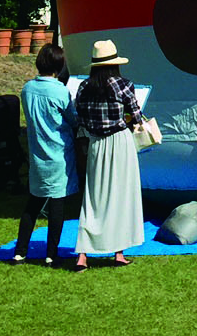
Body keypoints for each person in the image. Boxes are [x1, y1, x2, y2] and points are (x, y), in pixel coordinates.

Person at [73, 39, 147, 269]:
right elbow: (136, 117)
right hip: (120, 142)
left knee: (93, 198)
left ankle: (82, 256)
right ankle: (118, 252)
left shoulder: (84, 87)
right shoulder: (124, 85)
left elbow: (80, 118)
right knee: (121, 196)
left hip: (96, 143)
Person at [13, 42, 79, 265]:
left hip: (37, 153)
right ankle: (51, 254)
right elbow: (73, 120)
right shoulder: (60, 91)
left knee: (33, 203)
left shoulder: (27, 89)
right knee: (57, 206)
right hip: (59, 154)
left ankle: (20, 251)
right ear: (59, 66)